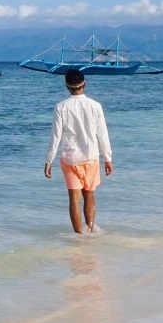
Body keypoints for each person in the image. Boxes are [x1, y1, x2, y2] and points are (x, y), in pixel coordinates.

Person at [44, 70, 113, 234]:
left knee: (74, 199)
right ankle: (90, 230)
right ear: (84, 84)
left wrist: (49, 161)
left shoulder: (61, 107)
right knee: (89, 195)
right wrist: (107, 158)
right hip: (91, 156)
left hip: (70, 158)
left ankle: (78, 236)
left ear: (66, 86)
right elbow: (102, 134)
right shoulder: (95, 105)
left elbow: (56, 136)